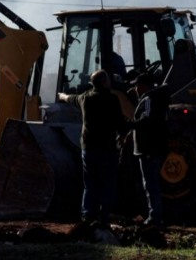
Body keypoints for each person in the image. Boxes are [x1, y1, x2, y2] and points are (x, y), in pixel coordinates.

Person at [58, 69, 125, 227]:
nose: (110, 82)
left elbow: (70, 98)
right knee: (108, 183)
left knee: (90, 184)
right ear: (104, 82)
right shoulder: (113, 99)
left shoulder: (85, 98)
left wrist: (61, 96)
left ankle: (87, 216)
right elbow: (119, 123)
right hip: (107, 148)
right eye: (108, 79)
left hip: (88, 148)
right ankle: (104, 216)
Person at [128, 72, 170, 228]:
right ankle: (156, 215)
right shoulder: (160, 99)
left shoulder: (148, 99)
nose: (135, 89)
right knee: (153, 183)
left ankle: (154, 218)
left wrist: (130, 125)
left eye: (137, 85)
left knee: (150, 184)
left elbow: (146, 119)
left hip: (148, 148)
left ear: (143, 86)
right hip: (157, 147)